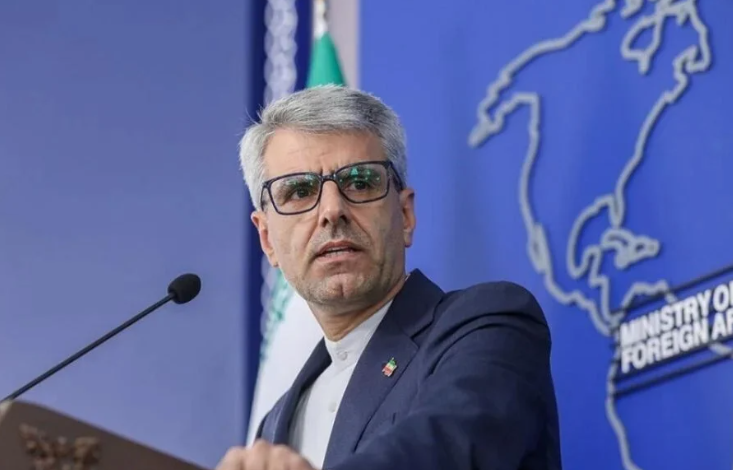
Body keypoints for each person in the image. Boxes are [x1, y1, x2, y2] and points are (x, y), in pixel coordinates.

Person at [217, 85, 562, 470]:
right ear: (267, 240)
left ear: (406, 215)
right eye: (299, 191)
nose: (331, 210)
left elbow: (446, 448)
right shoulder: (275, 422)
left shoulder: (490, 326)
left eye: (360, 182)